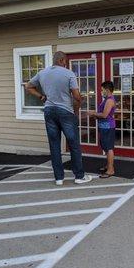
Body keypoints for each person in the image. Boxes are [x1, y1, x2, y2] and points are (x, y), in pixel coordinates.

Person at [25, 51, 92, 186]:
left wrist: (41, 97)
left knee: (54, 145)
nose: (66, 63)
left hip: (49, 111)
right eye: (65, 61)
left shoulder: (42, 73)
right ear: (61, 60)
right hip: (65, 112)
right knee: (73, 144)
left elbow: (28, 86)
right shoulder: (69, 74)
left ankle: (59, 178)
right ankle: (79, 176)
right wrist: (81, 100)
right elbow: (76, 96)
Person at [87, 81, 116, 178]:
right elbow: (102, 114)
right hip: (104, 127)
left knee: (109, 148)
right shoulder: (106, 99)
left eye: (102, 90)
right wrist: (96, 115)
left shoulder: (109, 100)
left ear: (107, 90)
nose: (101, 91)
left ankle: (111, 170)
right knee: (106, 147)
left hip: (108, 127)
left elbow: (104, 115)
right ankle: (108, 165)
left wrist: (93, 113)